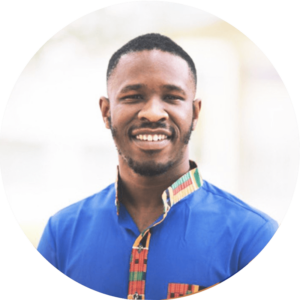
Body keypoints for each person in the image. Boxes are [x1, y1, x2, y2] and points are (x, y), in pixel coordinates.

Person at [37, 33, 278, 299]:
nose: (153, 113)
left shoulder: (252, 237)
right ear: (106, 112)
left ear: (195, 113)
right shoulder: (62, 235)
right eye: (133, 96)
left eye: (172, 97)